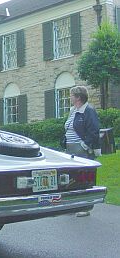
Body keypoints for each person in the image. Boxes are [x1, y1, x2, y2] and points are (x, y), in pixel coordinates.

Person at [64, 85, 101, 217]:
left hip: (81, 149)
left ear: (78, 97)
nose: (70, 97)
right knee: (72, 178)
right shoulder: (73, 110)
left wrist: (84, 145)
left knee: (84, 179)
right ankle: (73, 206)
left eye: (72, 95)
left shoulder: (88, 110)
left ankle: (85, 207)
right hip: (71, 149)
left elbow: (94, 131)